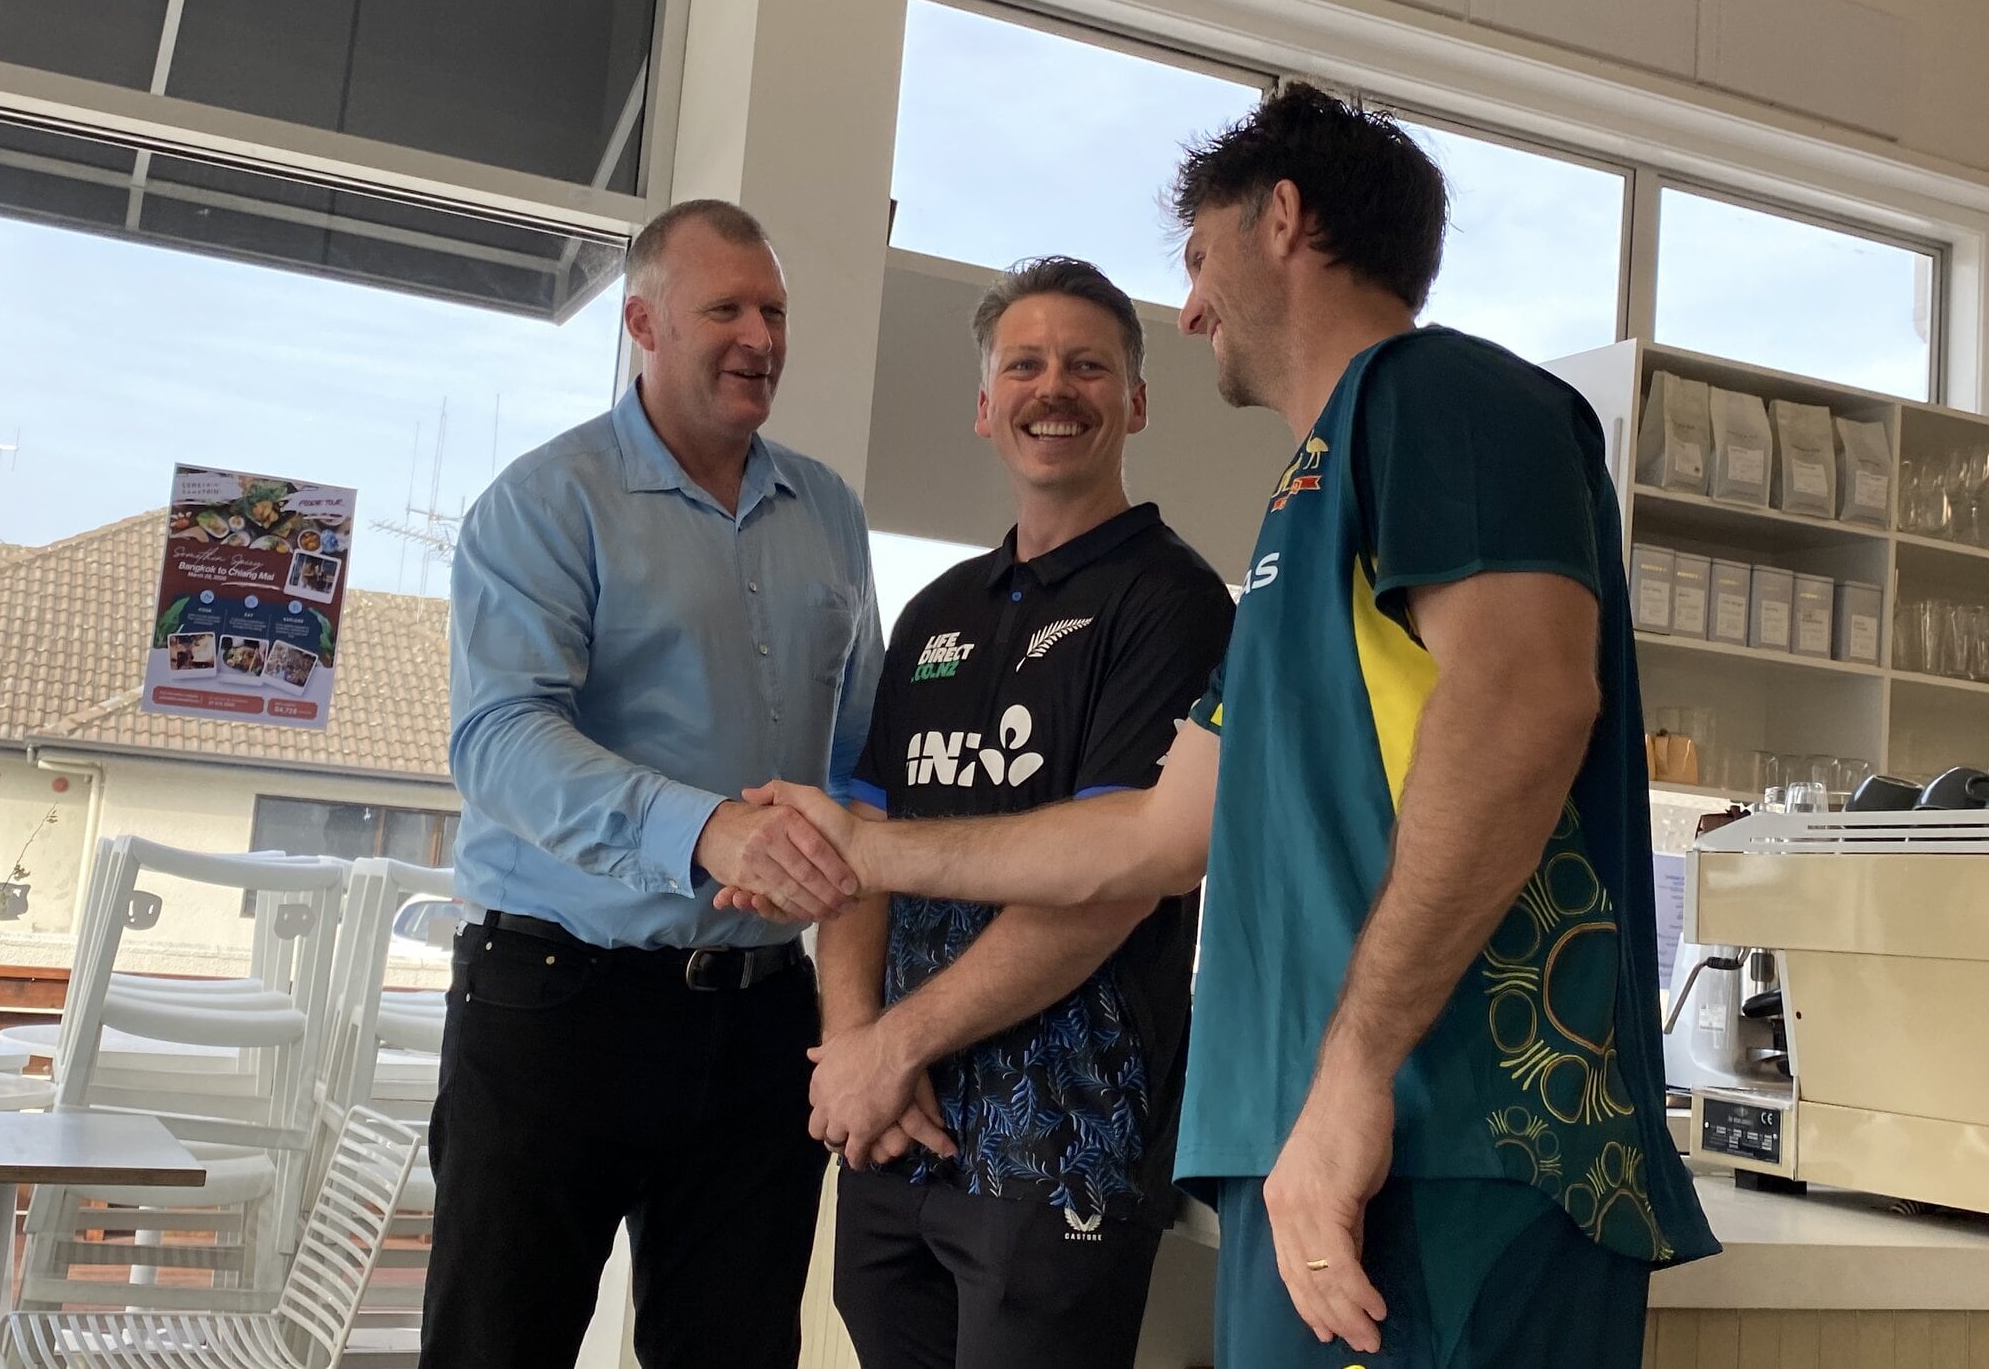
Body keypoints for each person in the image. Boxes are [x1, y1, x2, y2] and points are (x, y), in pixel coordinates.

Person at [731, 86, 1719, 1366]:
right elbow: (1149, 836)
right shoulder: (1298, 517)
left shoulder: (1438, 393)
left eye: (1196, 259)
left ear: (1284, 222)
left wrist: (1354, 1071)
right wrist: (864, 856)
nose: (1188, 306)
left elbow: (1526, 699)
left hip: (1455, 1137)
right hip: (1307, 1146)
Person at [423, 198, 879, 1369]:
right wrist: (705, 831)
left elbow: (859, 757)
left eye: (772, 310)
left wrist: (863, 1001)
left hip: (760, 1016)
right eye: (722, 307)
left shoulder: (827, 509)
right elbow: (499, 737)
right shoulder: (543, 501)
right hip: (554, 1007)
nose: (757, 337)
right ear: (642, 321)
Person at [813, 257, 1232, 1369]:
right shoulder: (934, 612)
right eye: (1026, 365)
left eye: (1088, 366)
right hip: (896, 1132)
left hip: (1061, 1152)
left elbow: (1115, 880)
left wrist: (888, 1043)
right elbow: (857, 855)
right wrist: (856, 1045)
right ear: (984, 404)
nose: (1055, 388)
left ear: (1135, 402)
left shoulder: (1173, 605)